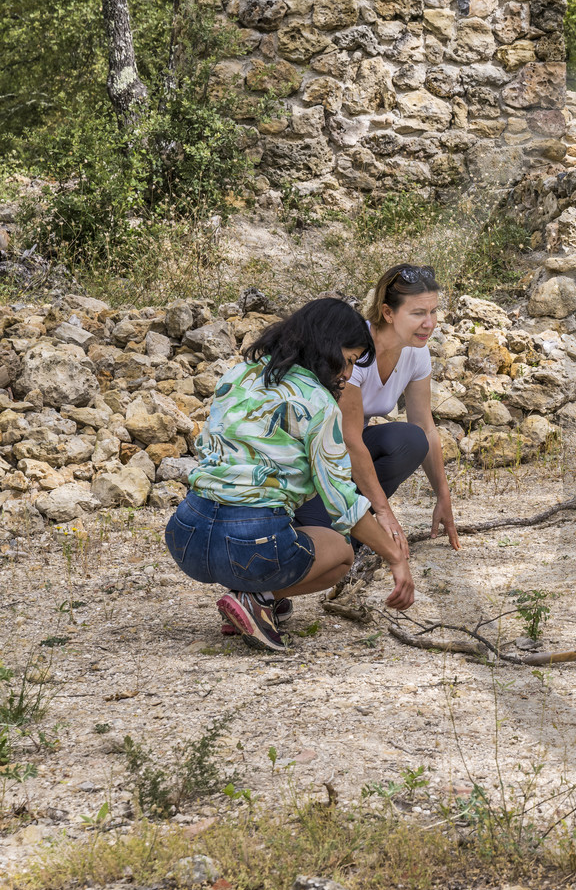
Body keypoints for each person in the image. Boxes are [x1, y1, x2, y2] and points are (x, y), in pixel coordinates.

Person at [165, 298, 415, 653]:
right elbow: (341, 502)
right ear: (325, 346)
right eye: (346, 361)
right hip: (247, 543)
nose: (347, 374)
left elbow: (208, 447)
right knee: (341, 553)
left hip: (185, 534)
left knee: (283, 516)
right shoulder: (318, 401)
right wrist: (395, 558)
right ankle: (258, 598)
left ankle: (260, 603)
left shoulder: (238, 374)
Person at [291, 264, 459, 555]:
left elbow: (426, 427)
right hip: (312, 454)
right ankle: (324, 518)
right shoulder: (355, 349)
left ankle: (348, 521)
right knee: (330, 543)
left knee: (410, 439)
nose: (429, 323)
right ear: (388, 312)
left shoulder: (417, 352)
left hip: (344, 453)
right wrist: (385, 514)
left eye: (433, 311)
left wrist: (443, 497)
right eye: (418, 313)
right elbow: (349, 440)